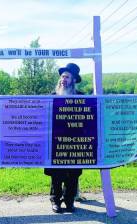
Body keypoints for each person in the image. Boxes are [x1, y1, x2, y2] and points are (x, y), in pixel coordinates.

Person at [44, 63, 83, 213]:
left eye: (67, 77)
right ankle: (55, 201)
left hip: (76, 142)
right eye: (62, 76)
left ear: (73, 80)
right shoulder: (52, 97)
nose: (63, 79)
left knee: (73, 173)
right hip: (56, 142)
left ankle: (69, 200)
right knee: (56, 173)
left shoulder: (81, 97)